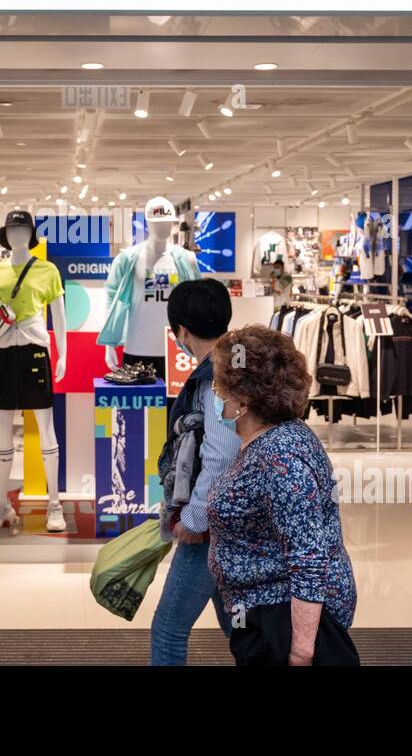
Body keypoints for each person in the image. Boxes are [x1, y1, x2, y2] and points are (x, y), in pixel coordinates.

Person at [207, 324, 359, 666]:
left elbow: (308, 556)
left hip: (282, 623)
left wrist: (301, 651)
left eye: (220, 386)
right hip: (264, 615)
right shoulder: (270, 439)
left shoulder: (280, 456)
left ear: (243, 399)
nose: (216, 394)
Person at [150, 278, 240, 665]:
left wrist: (193, 517)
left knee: (168, 629)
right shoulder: (240, 362)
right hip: (238, 517)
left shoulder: (214, 379)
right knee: (238, 627)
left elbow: (220, 456)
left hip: (212, 527)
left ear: (182, 331)